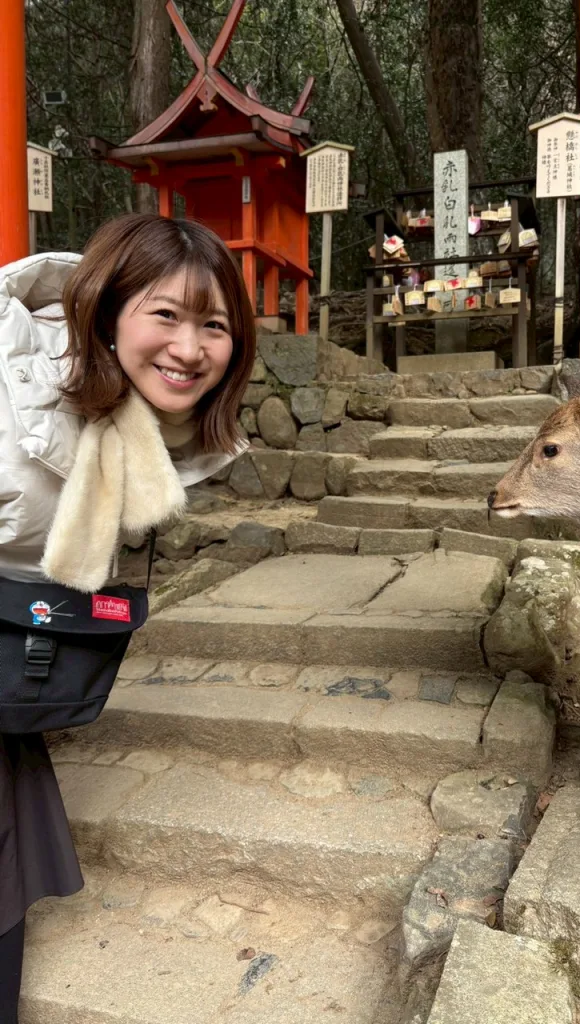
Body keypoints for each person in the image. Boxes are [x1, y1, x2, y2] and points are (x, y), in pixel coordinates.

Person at [0, 213, 256, 1021]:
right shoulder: (14, 381)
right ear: (108, 309)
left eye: (214, 325)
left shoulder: (140, 430)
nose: (190, 348)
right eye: (167, 315)